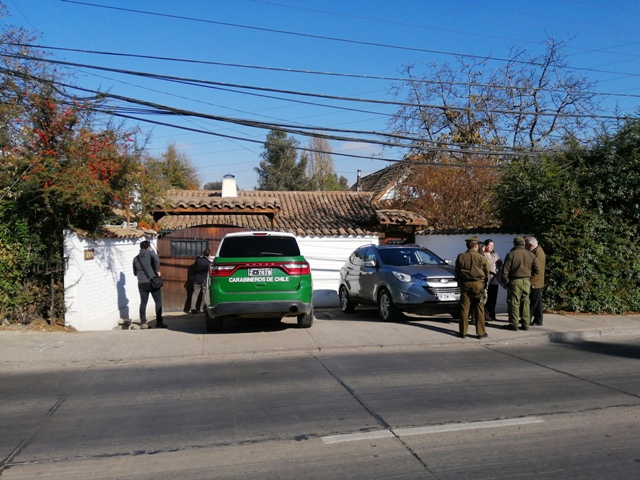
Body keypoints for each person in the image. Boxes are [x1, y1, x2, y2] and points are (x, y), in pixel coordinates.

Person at [500, 237, 539, 331]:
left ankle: (514, 324)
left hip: (515, 281)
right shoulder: (531, 254)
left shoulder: (511, 254)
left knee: (514, 302)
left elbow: (505, 270)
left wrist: (504, 281)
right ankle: (526, 324)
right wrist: (530, 278)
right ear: (523, 244)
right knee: (525, 302)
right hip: (526, 281)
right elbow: (537, 270)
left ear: (515, 244)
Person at [455, 237, 490, 339]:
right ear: (476, 246)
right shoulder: (481, 257)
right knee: (479, 308)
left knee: (464, 308)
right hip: (478, 284)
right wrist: (485, 282)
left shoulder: (461, 257)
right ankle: (480, 332)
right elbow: (486, 272)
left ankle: (463, 332)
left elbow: (457, 271)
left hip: (465, 284)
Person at [133, 240, 166, 328]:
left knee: (143, 302)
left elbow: (135, 272)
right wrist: (156, 271)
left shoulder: (135, 258)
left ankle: (143, 322)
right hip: (152, 282)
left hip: (141, 283)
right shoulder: (150, 253)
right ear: (148, 247)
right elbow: (157, 260)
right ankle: (159, 322)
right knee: (158, 301)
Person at [526, 236, 546, 326]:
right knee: (537, 302)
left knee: (533, 302)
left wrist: (530, 280)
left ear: (530, 245)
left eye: (526, 245)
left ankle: (529, 319)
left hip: (535, 281)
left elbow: (536, 268)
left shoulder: (537, 252)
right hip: (537, 281)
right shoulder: (537, 250)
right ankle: (538, 319)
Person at [482, 239, 502, 322]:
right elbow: (486, 264)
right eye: (490, 245)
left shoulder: (493, 254)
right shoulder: (484, 255)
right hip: (489, 280)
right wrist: (494, 259)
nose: (491, 247)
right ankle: (487, 315)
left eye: (492, 246)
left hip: (495, 279)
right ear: (486, 246)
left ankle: (492, 314)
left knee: (494, 298)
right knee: (488, 299)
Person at [189, 248, 212, 314]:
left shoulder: (198, 260)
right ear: (209, 255)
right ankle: (202, 308)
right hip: (204, 279)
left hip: (196, 279)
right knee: (204, 294)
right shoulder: (208, 263)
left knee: (195, 293)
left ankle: (192, 308)